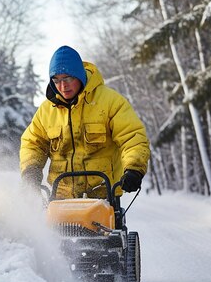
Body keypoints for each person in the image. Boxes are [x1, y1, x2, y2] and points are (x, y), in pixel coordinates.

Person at [19, 45, 150, 201]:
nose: (62, 86)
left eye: (68, 79)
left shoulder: (110, 102)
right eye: (56, 80)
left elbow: (132, 137)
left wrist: (134, 169)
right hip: (61, 197)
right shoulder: (46, 111)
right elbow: (33, 143)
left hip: (102, 196)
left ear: (79, 75)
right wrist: (31, 170)